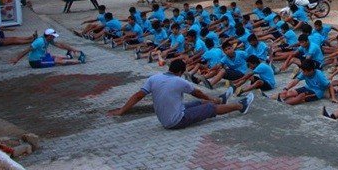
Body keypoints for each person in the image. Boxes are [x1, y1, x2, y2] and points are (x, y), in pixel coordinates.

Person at [107, 59, 254, 129]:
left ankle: (219, 101)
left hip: (168, 117)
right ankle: (240, 106)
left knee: (200, 104)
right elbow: (197, 93)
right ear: (180, 72)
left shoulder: (154, 78)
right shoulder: (179, 81)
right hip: (176, 120)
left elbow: (137, 96)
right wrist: (209, 99)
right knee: (211, 109)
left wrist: (121, 111)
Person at [10, 28, 85, 68]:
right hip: (36, 62)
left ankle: (68, 56)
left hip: (42, 57)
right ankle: (79, 61)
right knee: (58, 62)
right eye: (53, 36)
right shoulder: (39, 41)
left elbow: (60, 45)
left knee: (52, 56)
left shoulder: (47, 39)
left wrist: (72, 49)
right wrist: (17, 59)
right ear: (49, 36)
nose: (54, 38)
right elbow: (27, 50)